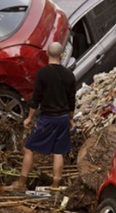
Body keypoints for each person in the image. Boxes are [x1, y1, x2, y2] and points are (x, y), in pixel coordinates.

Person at [9, 42, 76, 191]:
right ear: (62, 55)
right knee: (58, 152)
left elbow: (36, 99)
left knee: (29, 148)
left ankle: (21, 183)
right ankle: (55, 185)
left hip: (48, 118)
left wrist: (29, 117)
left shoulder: (42, 74)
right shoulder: (69, 75)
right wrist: (70, 119)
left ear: (47, 54)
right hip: (63, 118)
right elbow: (72, 101)